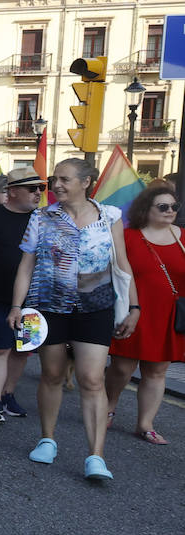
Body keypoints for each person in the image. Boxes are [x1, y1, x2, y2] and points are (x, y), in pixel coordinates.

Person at [8, 158, 139, 481]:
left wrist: (134, 308)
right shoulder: (41, 217)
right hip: (47, 305)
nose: (56, 186)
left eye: (64, 180)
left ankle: (96, 457)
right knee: (51, 374)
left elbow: (121, 265)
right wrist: (16, 307)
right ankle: (47, 439)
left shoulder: (110, 217)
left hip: (96, 306)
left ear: (86, 181)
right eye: (55, 180)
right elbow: (26, 265)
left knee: (92, 379)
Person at [106, 184, 184, 445]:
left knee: (157, 371)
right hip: (132, 311)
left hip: (168, 315)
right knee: (121, 367)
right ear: (146, 209)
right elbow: (116, 274)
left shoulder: (183, 237)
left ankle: (145, 424)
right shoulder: (128, 237)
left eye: (174, 207)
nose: (170, 211)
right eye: (163, 207)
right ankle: (107, 408)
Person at [0, 166, 43, 425]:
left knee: (23, 349)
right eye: (32, 188)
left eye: (41, 188)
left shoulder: (43, 220)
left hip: (35, 300)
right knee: (0, 349)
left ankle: (8, 394)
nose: (38, 193)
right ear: (12, 191)